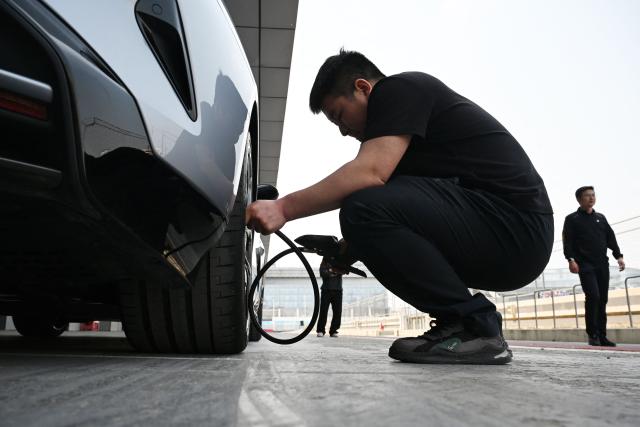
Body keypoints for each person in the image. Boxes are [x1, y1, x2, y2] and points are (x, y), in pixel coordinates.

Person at [246, 49, 554, 364]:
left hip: (515, 226)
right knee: (363, 208)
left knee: (361, 205)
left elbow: (370, 173)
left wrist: (283, 208)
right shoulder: (407, 142)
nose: (342, 131)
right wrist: (345, 250)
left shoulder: (400, 89)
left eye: (340, 115)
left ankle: (474, 326)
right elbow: (397, 206)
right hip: (505, 238)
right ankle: (465, 324)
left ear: (363, 88)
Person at [562, 186, 625, 347]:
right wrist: (570, 259)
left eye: (593, 195)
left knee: (602, 299)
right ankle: (593, 334)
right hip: (585, 264)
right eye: (587, 196)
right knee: (593, 296)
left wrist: (618, 256)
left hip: (602, 264)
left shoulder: (601, 218)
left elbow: (610, 238)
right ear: (579, 199)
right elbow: (567, 241)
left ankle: (602, 335)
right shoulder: (572, 219)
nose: (591, 198)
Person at [316, 259, 344, 338]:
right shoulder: (324, 262)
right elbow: (322, 273)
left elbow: (343, 271)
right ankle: (321, 330)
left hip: (338, 290)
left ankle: (333, 331)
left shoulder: (340, 261)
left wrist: (330, 271)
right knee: (323, 311)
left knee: (337, 312)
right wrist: (333, 271)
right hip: (326, 290)